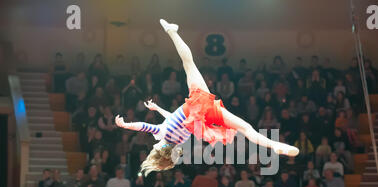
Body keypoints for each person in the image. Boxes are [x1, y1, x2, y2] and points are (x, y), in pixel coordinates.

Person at [115, 19, 299, 177]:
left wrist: (158, 110)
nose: (153, 147)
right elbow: (145, 126)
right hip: (198, 105)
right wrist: (125, 125)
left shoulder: (178, 141)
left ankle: (274, 146)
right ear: (157, 150)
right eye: (153, 150)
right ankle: (171, 31)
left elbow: (174, 120)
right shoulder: (161, 133)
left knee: (246, 128)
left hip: (207, 117)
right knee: (189, 63)